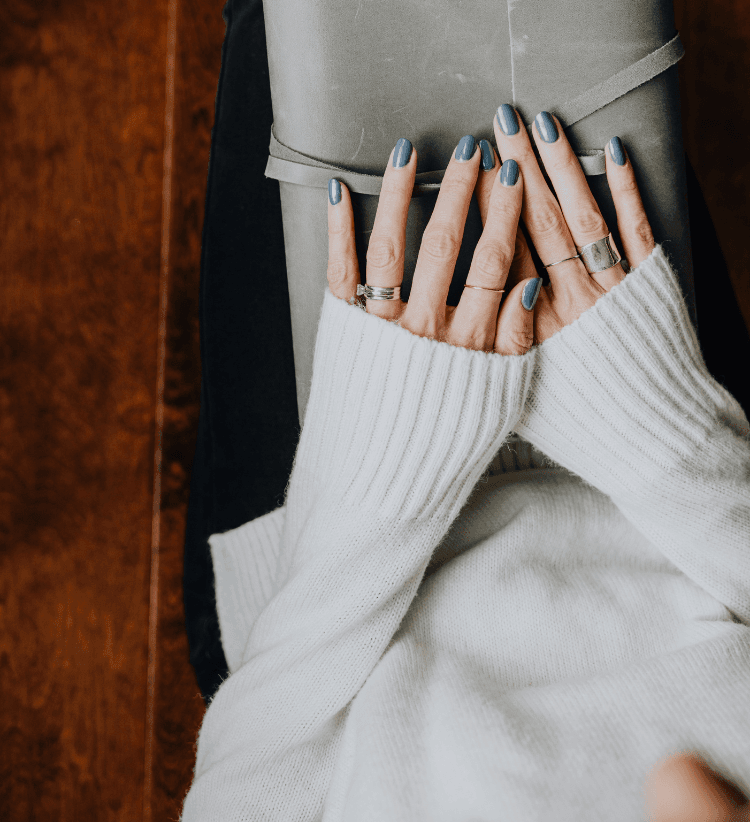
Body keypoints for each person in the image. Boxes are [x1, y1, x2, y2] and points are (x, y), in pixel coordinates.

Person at [180, 114, 750, 821]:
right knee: (554, 28)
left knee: (280, 23)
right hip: (641, 386)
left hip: (337, 536)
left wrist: (377, 483)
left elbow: (241, 792)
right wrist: (668, 437)